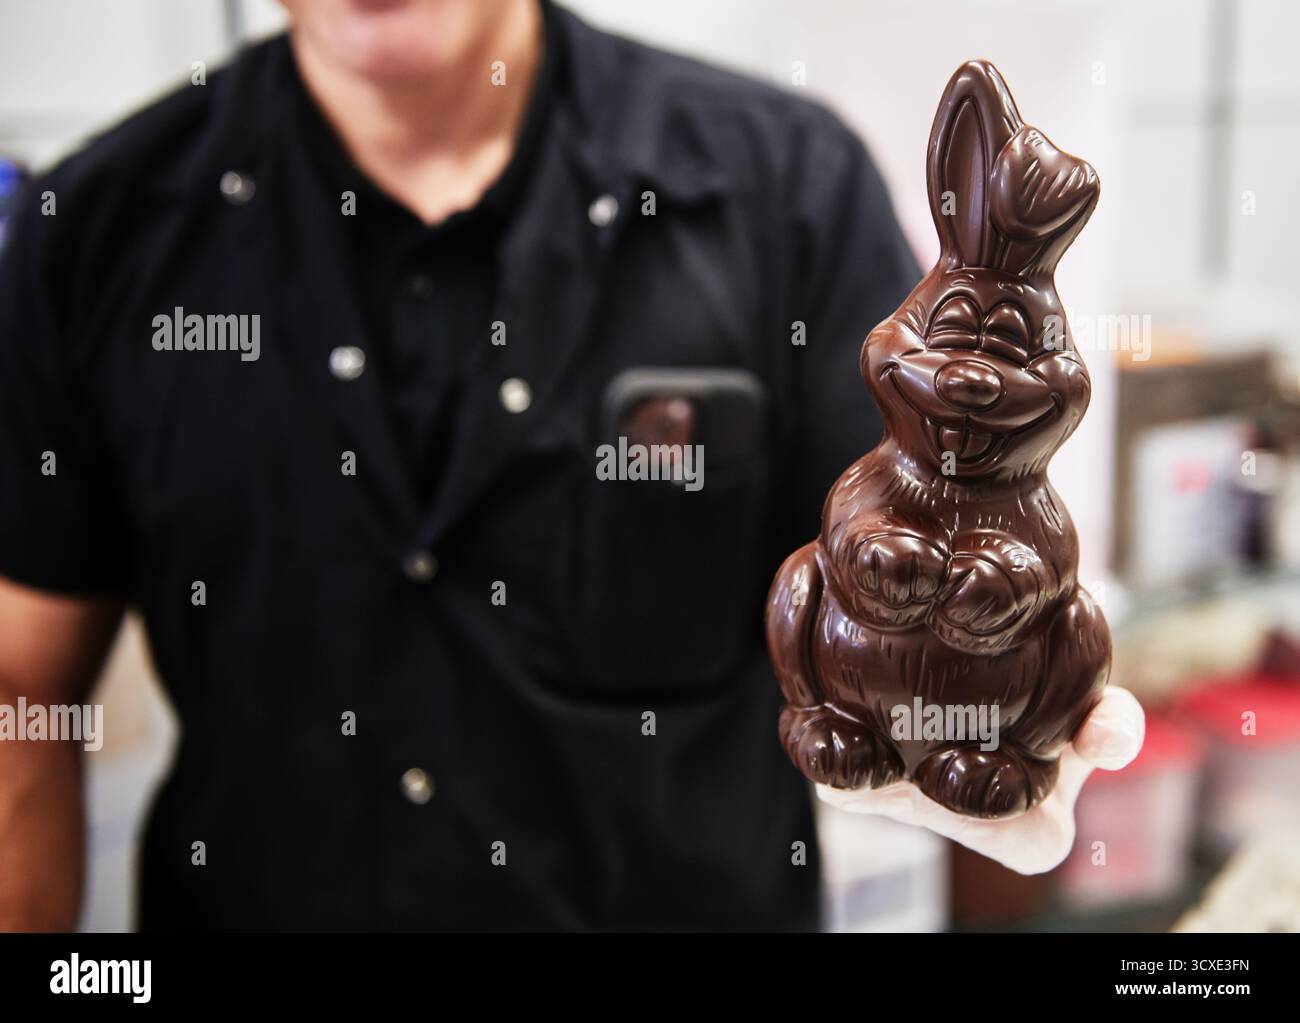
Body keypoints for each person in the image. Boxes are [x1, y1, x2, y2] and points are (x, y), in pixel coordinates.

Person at [0, 0, 1137, 932]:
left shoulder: (784, 187)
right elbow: (20, 702)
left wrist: (983, 710)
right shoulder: (92, 233)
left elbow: (906, 549)